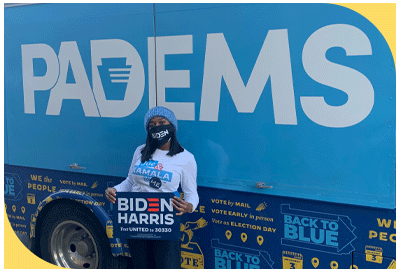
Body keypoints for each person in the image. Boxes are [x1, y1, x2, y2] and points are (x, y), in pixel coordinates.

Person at [105, 106, 199, 269]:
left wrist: (189, 206)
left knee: (167, 266)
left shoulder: (186, 158)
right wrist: (115, 190)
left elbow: (192, 194)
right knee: (141, 266)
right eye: (152, 125)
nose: (157, 127)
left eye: (162, 122)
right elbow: (130, 182)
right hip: (136, 221)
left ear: (172, 126)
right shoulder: (140, 151)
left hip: (165, 223)